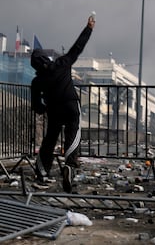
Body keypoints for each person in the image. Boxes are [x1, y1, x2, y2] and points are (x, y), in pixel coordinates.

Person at [30, 15, 95, 193]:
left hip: (54, 109)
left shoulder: (37, 81)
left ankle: (42, 174)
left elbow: (36, 106)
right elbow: (77, 48)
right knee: (73, 137)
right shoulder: (61, 64)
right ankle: (69, 167)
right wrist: (88, 28)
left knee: (49, 141)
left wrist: (44, 107)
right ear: (46, 58)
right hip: (71, 105)